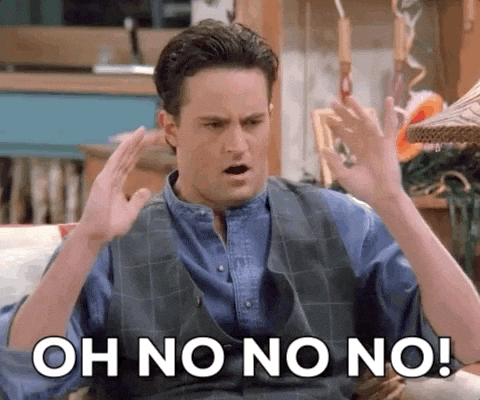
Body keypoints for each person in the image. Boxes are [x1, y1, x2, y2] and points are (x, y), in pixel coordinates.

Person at [1, 19, 480, 400]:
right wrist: (85, 241)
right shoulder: (112, 242)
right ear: (170, 128)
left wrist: (395, 203)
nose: (238, 145)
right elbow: (23, 377)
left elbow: (467, 342)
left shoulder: (342, 222)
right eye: (214, 125)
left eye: (252, 122)